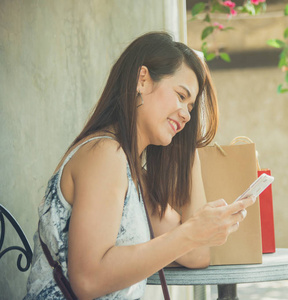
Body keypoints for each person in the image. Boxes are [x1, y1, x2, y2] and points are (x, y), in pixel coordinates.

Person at [24, 31, 256, 299]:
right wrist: (191, 233)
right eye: (181, 96)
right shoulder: (104, 154)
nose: (186, 114)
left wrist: (188, 154)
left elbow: (196, 254)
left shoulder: (134, 176)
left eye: (191, 107)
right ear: (142, 79)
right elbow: (88, 280)